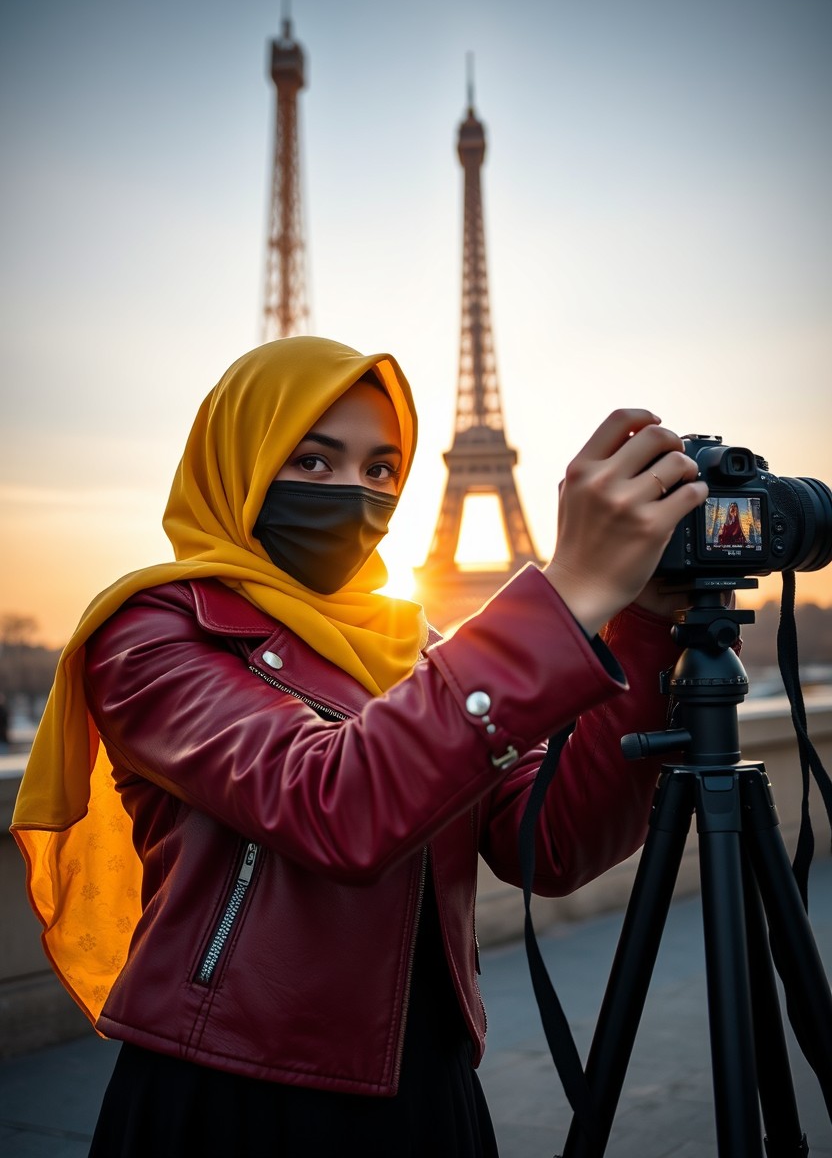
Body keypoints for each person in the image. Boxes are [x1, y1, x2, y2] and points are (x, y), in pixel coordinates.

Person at [12, 336, 707, 1158]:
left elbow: (549, 843)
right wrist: (564, 596)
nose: (353, 491)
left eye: (381, 469)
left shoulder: (417, 647)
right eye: (312, 459)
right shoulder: (155, 632)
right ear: (240, 459)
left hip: (425, 1077)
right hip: (236, 1087)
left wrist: (642, 630)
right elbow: (330, 804)